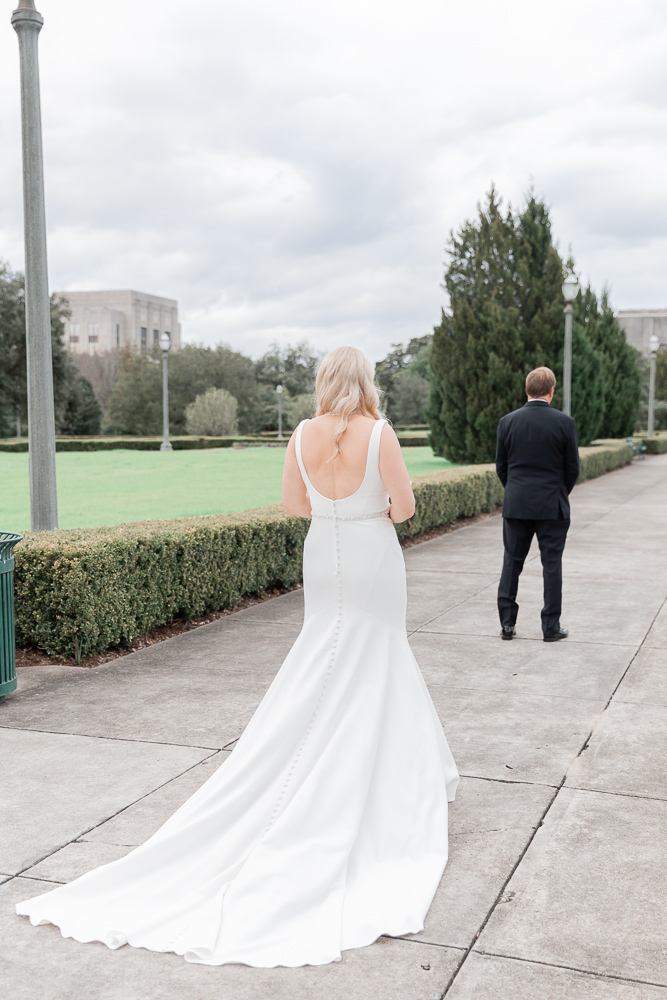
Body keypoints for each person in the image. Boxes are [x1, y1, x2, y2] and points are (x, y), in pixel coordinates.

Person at [17, 346, 458, 968]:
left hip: (323, 555)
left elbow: (295, 507)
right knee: (379, 653)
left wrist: (336, 510)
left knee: (324, 651)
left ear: (324, 382)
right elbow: (406, 507)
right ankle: (392, 775)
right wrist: (373, 512)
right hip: (373, 556)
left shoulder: (301, 434)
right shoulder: (380, 432)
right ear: (366, 382)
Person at [495, 366, 580, 642]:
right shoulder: (565, 423)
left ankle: (507, 625)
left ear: (527, 390)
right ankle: (550, 628)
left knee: (512, 563)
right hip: (551, 505)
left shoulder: (507, 422)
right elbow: (572, 469)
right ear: (552, 391)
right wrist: (558, 492)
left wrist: (516, 491)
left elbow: (501, 467)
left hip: (516, 503)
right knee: (552, 565)